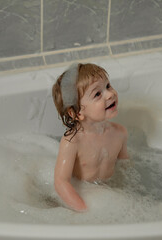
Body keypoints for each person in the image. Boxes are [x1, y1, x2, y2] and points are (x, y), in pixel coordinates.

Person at [52, 63, 128, 212]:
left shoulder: (120, 133)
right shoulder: (72, 141)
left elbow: (125, 167)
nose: (110, 94)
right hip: (79, 196)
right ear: (76, 113)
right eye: (97, 94)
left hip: (108, 194)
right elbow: (61, 182)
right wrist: (84, 210)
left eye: (108, 86)